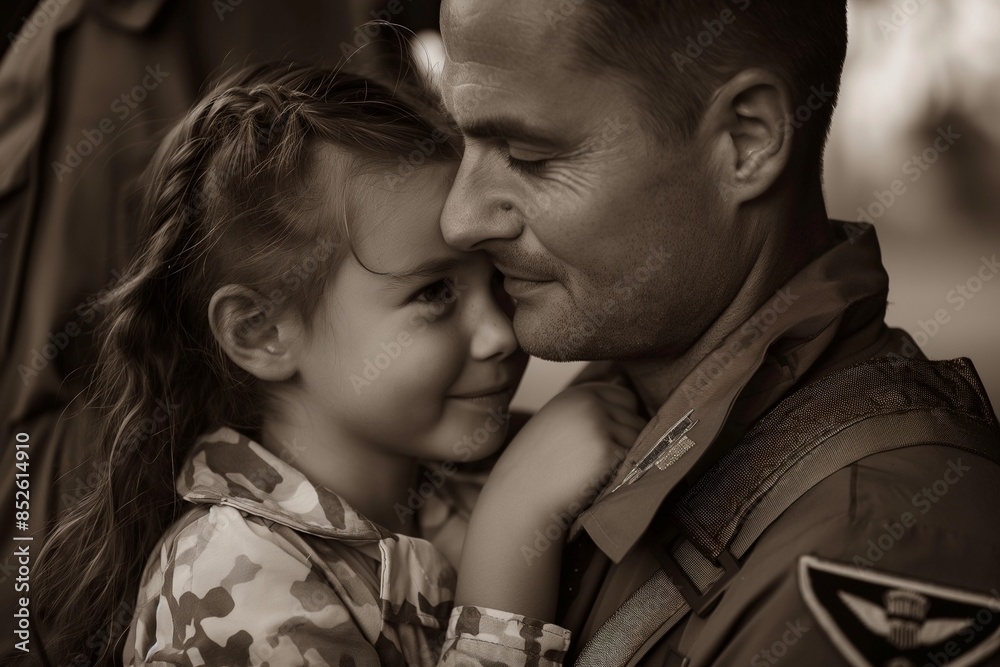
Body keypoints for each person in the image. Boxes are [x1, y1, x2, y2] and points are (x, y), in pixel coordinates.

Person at [436, 1, 1000, 665]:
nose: (459, 219)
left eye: (528, 155)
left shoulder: (873, 545)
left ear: (747, 138)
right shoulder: (601, 411)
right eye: (459, 145)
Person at [33, 62, 645, 666]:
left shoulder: (457, 487)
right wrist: (512, 530)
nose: (499, 334)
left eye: (497, 279)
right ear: (261, 332)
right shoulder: (236, 579)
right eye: (434, 293)